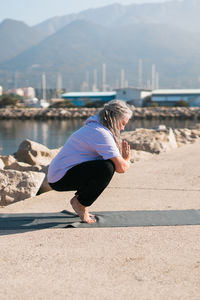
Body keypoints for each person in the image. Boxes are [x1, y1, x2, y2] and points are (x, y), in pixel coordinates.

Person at [47, 100, 133, 224]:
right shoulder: (100, 133)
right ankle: (80, 203)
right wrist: (127, 159)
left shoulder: (96, 127)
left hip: (59, 175)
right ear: (115, 119)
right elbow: (121, 168)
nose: (123, 128)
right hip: (60, 178)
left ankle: (81, 201)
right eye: (123, 123)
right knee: (107, 168)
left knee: (105, 165)